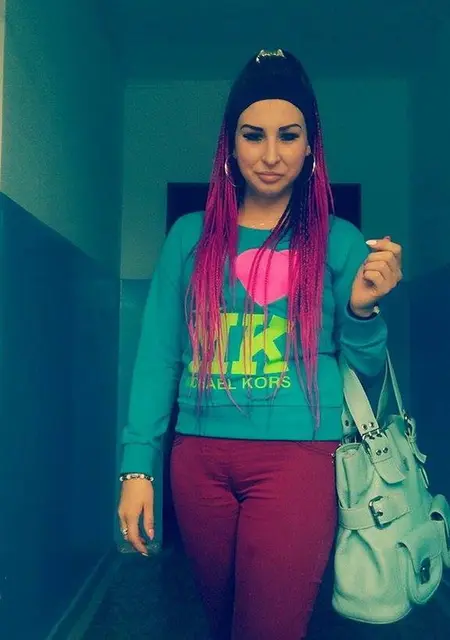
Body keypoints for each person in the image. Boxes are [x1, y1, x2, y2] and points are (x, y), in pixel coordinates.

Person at [118, 48, 403, 640]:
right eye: (253, 135)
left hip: (298, 460)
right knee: (224, 622)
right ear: (230, 144)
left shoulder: (339, 242)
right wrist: (136, 468)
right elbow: (158, 358)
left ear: (310, 146)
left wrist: (363, 309)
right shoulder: (190, 237)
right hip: (198, 463)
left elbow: (368, 372)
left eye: (288, 136)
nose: (271, 155)